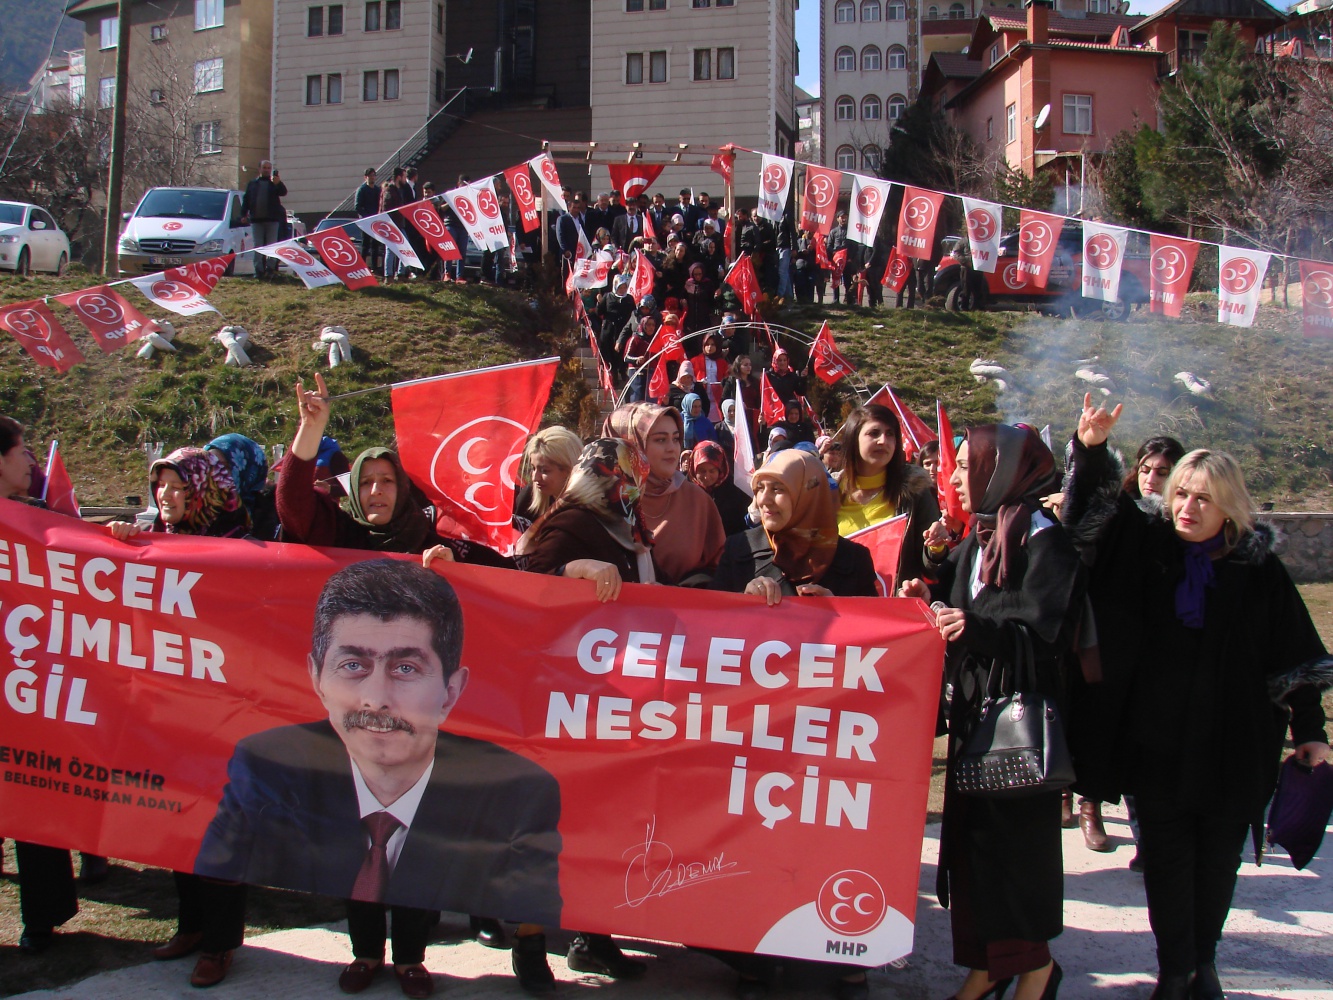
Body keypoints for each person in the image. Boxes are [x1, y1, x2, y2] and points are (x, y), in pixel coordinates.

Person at [1061, 397, 1330, 1000]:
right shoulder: (1148, 546)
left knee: (1217, 861)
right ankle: (1175, 967)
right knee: (1166, 860)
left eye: (1201, 498)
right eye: (1180, 493)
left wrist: (1310, 730)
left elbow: (1295, 658)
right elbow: (1089, 519)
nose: (1185, 506)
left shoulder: (1259, 569)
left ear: (1227, 505)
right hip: (1155, 741)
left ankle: (1202, 961)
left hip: (1236, 743)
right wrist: (1093, 449)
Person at [194, 559, 562, 998]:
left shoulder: (516, 790)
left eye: (406, 668)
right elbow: (220, 857)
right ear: (316, 676)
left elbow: (539, 887)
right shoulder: (267, 765)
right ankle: (365, 954)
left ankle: (410, 960)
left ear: (451, 691)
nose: (376, 699)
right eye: (353, 665)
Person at [900, 423, 1084, 1000]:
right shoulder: (980, 537)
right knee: (974, 846)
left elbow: (1049, 632)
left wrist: (975, 629)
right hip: (976, 712)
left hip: (1019, 719)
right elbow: (958, 606)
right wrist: (925, 602)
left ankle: (1034, 970)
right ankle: (986, 966)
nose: (950, 475)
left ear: (998, 469)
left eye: (961, 464)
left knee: (1016, 851)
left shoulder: (1043, 537)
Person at [709, 447, 876, 999]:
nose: (764, 500)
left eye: (779, 489)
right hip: (758, 731)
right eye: (759, 489)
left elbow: (879, 641)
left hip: (825, 732)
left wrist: (841, 613)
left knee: (817, 843)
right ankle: (752, 956)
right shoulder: (738, 551)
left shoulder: (852, 562)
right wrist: (742, 602)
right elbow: (702, 625)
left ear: (809, 492)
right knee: (757, 842)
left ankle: (830, 958)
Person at [106, 447, 253, 988]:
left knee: (216, 826)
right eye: (159, 487)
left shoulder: (239, 545)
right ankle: (190, 924)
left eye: (175, 486)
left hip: (220, 711)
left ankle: (219, 943)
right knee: (174, 817)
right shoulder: (152, 542)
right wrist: (123, 546)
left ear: (202, 487)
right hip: (167, 709)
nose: (165, 497)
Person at [0, 416, 81, 957]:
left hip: (31, 685)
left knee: (34, 790)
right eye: (22, 450)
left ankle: (44, 914)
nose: (31, 461)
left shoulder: (34, 522)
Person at [603, 402, 726, 586]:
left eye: (676, 439)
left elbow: (722, 572)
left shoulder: (697, 501)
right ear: (630, 445)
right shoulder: (600, 501)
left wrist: (677, 593)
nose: (672, 448)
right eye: (660, 439)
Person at [836, 404, 943, 587]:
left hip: (893, 605)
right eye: (874, 433)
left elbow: (931, 568)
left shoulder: (915, 492)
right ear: (854, 438)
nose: (883, 441)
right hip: (839, 606)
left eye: (890, 434)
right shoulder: (829, 492)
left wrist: (936, 547)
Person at [205, 432, 278, 541]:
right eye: (208, 465)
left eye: (224, 467)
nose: (214, 473)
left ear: (245, 470)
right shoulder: (193, 509)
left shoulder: (275, 515)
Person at [513, 426, 583, 534]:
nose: (535, 478)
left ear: (569, 470)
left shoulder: (590, 509)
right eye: (533, 468)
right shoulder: (528, 497)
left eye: (544, 470)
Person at [686, 441, 749, 536]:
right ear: (694, 470)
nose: (707, 477)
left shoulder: (735, 492)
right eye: (702, 471)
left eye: (712, 471)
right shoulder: (684, 491)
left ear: (720, 469)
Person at [241, 160, 287, 278]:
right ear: (259, 169)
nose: (266, 170)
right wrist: (243, 215)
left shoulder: (274, 183)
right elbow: (246, 200)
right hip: (256, 220)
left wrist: (278, 183)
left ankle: (271, 269)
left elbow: (283, 192)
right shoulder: (252, 184)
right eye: (264, 168)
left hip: (272, 220)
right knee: (258, 246)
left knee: (272, 246)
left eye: (268, 168)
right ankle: (259, 271)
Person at [356, 167, 383, 269]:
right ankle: (363, 267)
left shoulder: (377, 190)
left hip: (376, 221)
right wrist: (366, 217)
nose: (372, 178)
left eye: (373, 175)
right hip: (366, 222)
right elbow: (358, 206)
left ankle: (374, 267)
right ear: (365, 177)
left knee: (375, 245)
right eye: (370, 176)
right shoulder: (362, 190)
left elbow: (380, 205)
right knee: (365, 245)